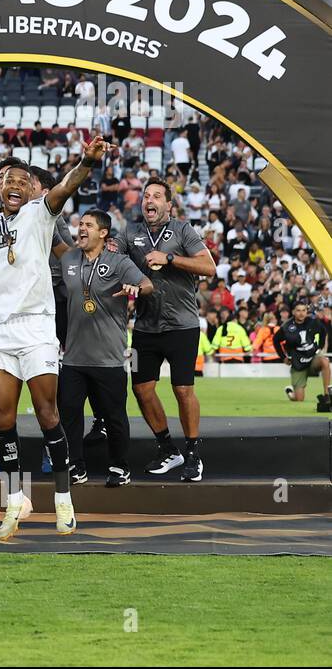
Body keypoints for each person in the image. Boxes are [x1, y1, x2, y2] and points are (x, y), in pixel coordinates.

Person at [0, 137, 112, 540]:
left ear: (31, 188)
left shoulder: (39, 213)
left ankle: (63, 497)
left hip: (36, 328)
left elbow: (65, 186)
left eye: (22, 180)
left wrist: (85, 162)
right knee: (0, 419)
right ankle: (16, 498)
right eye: (7, 179)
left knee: (48, 414)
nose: (14, 185)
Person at [111, 178, 216, 482]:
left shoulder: (183, 230)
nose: (149, 200)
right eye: (146, 196)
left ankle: (194, 454)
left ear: (169, 204)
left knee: (183, 390)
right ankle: (168, 449)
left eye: (157, 196)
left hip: (183, 325)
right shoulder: (130, 231)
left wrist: (169, 257)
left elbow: (209, 267)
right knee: (141, 389)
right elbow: (113, 253)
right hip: (144, 327)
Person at [56, 211, 153, 488]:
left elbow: (148, 284)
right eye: (80, 224)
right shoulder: (69, 258)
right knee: (69, 414)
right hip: (74, 357)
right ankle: (76, 466)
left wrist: (135, 289)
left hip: (109, 358)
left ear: (103, 233)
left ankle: (120, 467)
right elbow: (51, 242)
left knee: (114, 417)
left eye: (88, 225)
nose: (82, 229)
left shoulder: (118, 261)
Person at [276, 301, 332, 411]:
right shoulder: (287, 326)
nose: (301, 313)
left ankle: (327, 395)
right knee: (299, 398)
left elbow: (323, 331)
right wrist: (283, 357)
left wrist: (319, 347)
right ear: (293, 312)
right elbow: (275, 340)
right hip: (298, 364)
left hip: (312, 359)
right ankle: (290, 393)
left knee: (325, 361)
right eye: (298, 310)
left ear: (306, 311)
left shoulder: (312, 322)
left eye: (303, 310)